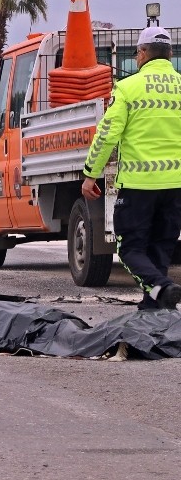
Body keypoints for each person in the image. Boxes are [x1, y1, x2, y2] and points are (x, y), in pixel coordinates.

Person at [82, 25, 181, 311]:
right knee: (161, 246)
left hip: (139, 185)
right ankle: (155, 309)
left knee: (129, 250)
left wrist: (90, 174)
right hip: (175, 186)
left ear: (141, 53)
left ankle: (159, 287)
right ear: (171, 54)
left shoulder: (127, 88)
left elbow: (107, 134)